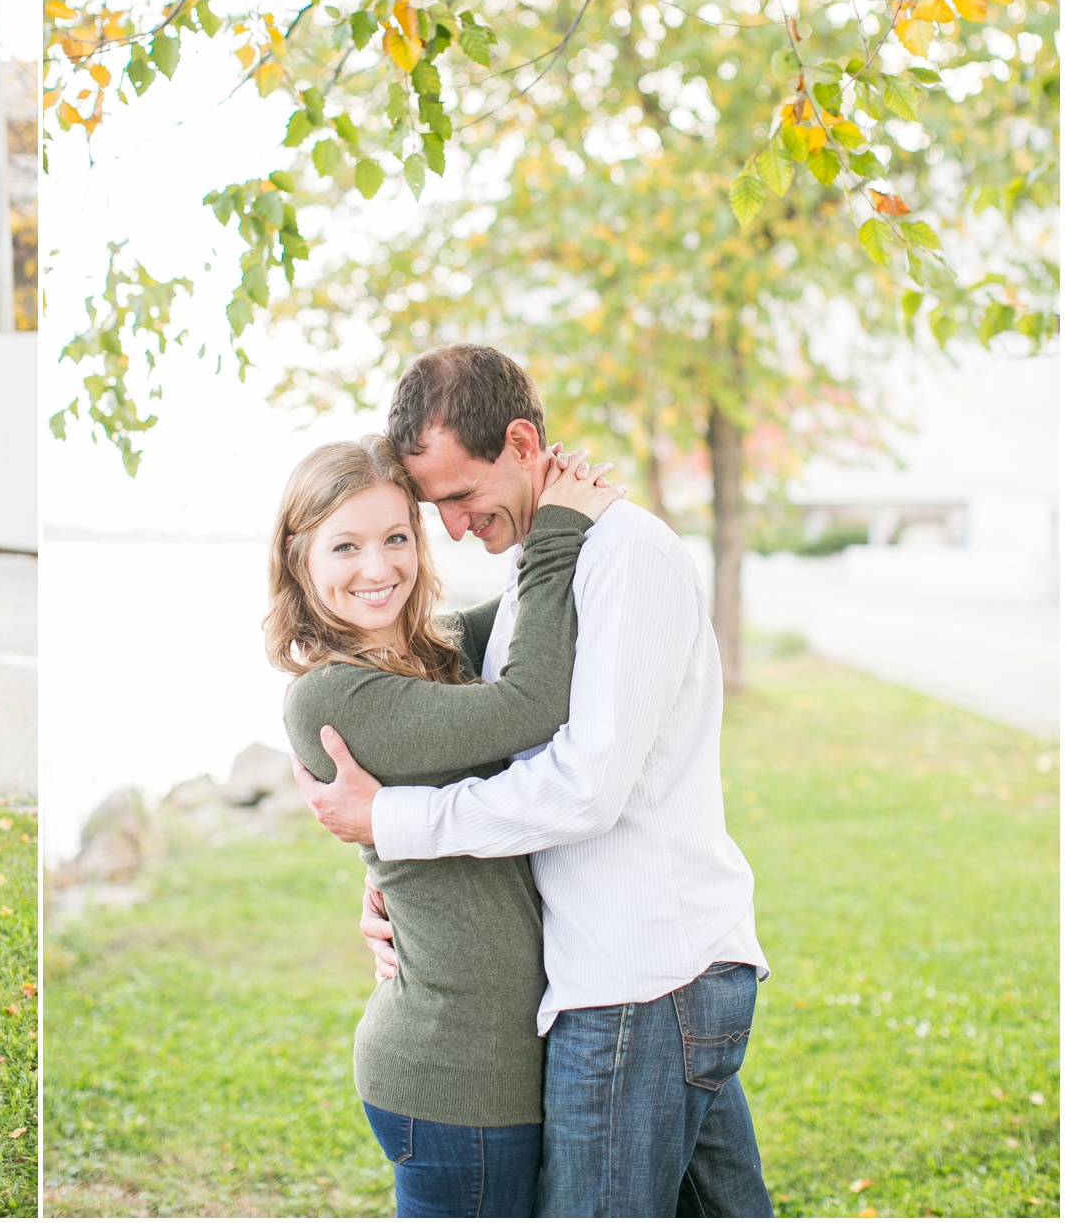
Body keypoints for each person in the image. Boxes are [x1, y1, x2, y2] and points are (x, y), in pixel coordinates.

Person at [295, 344, 774, 1218]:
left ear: (521, 442)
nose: (449, 529)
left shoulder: (620, 558)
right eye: (429, 509)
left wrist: (391, 823)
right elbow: (450, 709)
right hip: (630, 972)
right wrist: (388, 878)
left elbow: (583, 785)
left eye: (459, 498)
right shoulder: (544, 564)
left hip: (642, 980)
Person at [277, 435, 623, 1218]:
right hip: (451, 1073)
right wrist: (556, 528)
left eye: (397, 535)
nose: (379, 566)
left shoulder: (435, 652)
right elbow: (529, 702)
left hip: (494, 1060)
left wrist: (557, 509)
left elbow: (539, 611)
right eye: (346, 545)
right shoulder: (331, 697)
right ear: (298, 558)